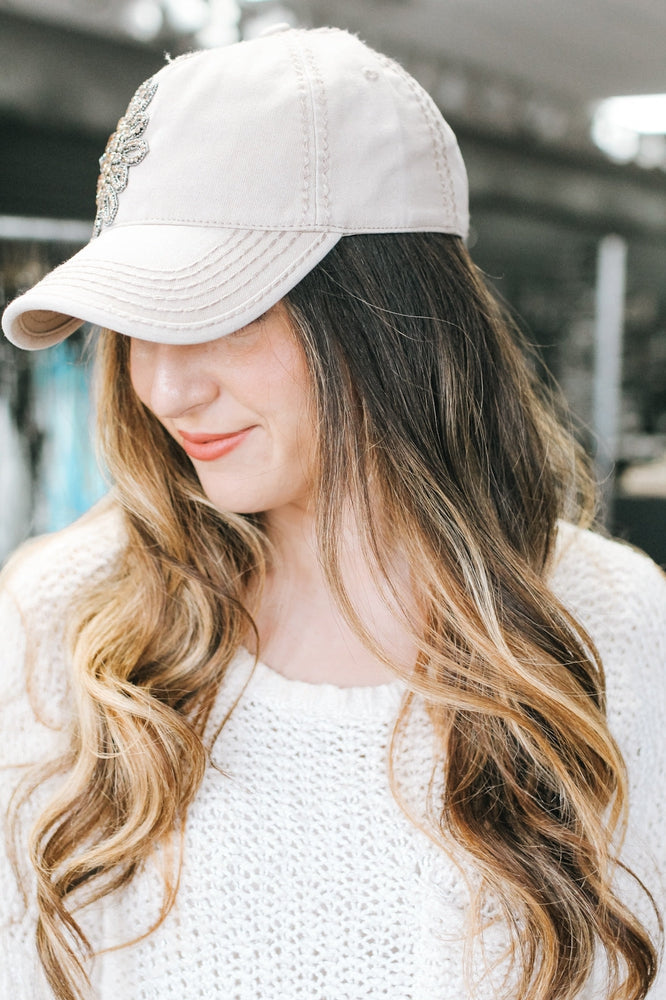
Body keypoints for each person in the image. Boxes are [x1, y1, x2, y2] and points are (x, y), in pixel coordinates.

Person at [1, 25, 664, 1000]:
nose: (164, 388)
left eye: (222, 312)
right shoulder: (66, 619)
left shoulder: (612, 623)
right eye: (136, 324)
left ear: (389, 316)